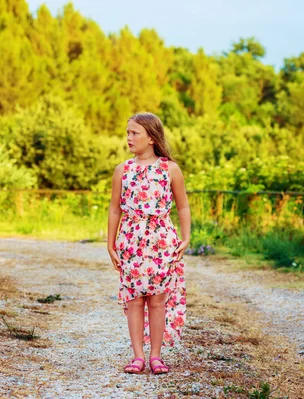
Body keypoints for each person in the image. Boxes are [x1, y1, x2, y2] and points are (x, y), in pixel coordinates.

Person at [107, 112, 190, 375]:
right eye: (128, 132)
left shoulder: (170, 169)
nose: (128, 137)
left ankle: (156, 356)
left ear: (151, 138)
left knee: (157, 300)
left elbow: (183, 205)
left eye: (135, 133)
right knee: (134, 299)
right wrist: (110, 243)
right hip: (130, 240)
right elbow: (114, 209)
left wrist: (186, 237)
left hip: (162, 240)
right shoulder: (123, 170)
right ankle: (137, 356)